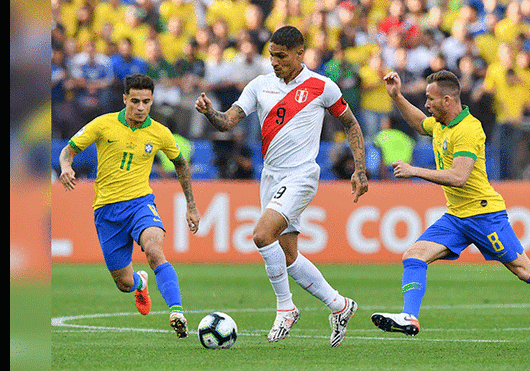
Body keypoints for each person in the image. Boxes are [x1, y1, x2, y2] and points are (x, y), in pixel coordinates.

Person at [369, 70, 530, 351]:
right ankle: (410, 316)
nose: (427, 104)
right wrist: (396, 96)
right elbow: (420, 124)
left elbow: (459, 177)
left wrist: (414, 171)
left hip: (484, 215)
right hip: (456, 216)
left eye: (430, 99)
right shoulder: (441, 123)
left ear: (447, 100)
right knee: (413, 256)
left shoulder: (469, 129)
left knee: (524, 269)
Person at [195, 25, 368, 347]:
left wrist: (360, 169)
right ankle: (340, 306)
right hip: (271, 177)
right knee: (288, 256)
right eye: (271, 55)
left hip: (301, 175)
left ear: (300, 53)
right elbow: (228, 120)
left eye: (281, 56)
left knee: (261, 235)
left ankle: (285, 308)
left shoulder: (321, 86)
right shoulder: (259, 85)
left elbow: (351, 123)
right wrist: (209, 113)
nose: (274, 62)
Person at [58, 74, 201, 339]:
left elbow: (181, 163)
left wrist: (191, 206)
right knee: (124, 283)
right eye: (134, 101)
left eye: (146, 101)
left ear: (152, 101)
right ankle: (140, 282)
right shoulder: (103, 124)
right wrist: (66, 166)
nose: (140, 107)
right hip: (106, 211)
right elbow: (68, 149)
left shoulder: (159, 132)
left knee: (155, 250)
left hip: (140, 204)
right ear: (125, 99)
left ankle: (177, 311)